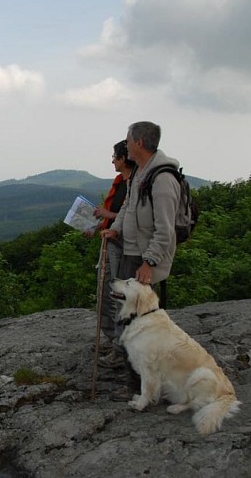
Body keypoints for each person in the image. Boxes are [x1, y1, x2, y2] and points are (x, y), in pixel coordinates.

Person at [100, 121, 182, 369]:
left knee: (142, 319)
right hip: (131, 252)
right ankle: (131, 370)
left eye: (127, 140)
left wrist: (149, 262)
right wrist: (115, 229)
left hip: (144, 259)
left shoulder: (162, 179)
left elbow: (166, 229)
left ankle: (145, 376)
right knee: (129, 315)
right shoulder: (139, 173)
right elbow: (128, 207)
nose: (125, 144)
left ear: (138, 143)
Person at [86, 140, 135, 366]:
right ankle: (113, 340)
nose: (112, 161)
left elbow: (131, 217)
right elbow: (115, 213)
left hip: (123, 247)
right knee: (104, 295)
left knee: (116, 298)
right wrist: (98, 225)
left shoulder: (134, 184)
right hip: (110, 242)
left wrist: (108, 214)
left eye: (115, 157)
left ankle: (119, 349)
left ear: (124, 159)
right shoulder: (122, 182)